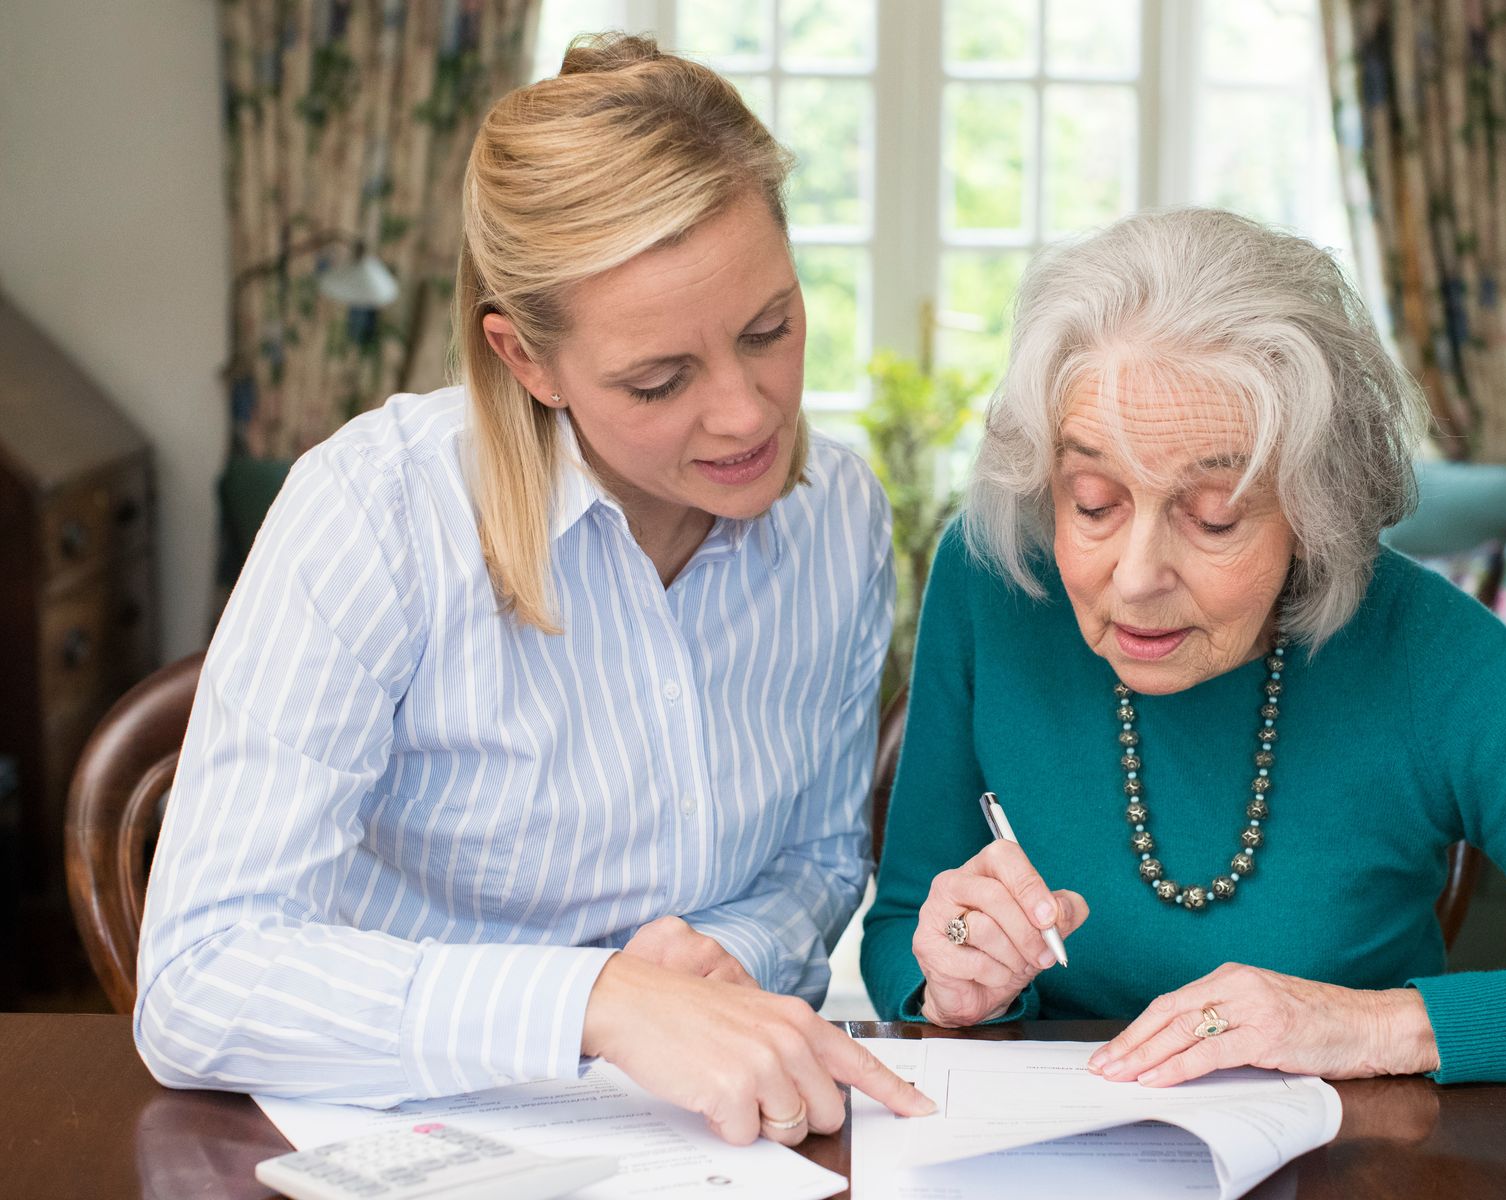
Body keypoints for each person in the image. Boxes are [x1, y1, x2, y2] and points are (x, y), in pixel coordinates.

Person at [135, 33, 935, 1142]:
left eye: (770, 330)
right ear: (525, 360)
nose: (749, 413)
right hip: (404, 1134)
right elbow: (199, 977)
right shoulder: (377, 514)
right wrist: (597, 1001)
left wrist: (724, 964)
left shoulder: (838, 517)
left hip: (712, 1141)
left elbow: (815, 860)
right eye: (658, 380)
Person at [861, 207, 1506, 1088]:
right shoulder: (995, 577)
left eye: (1215, 517)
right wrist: (955, 979)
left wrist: (1371, 1025)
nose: (1136, 575)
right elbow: (907, 922)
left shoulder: (1427, 651)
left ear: (1318, 513)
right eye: (1094, 503)